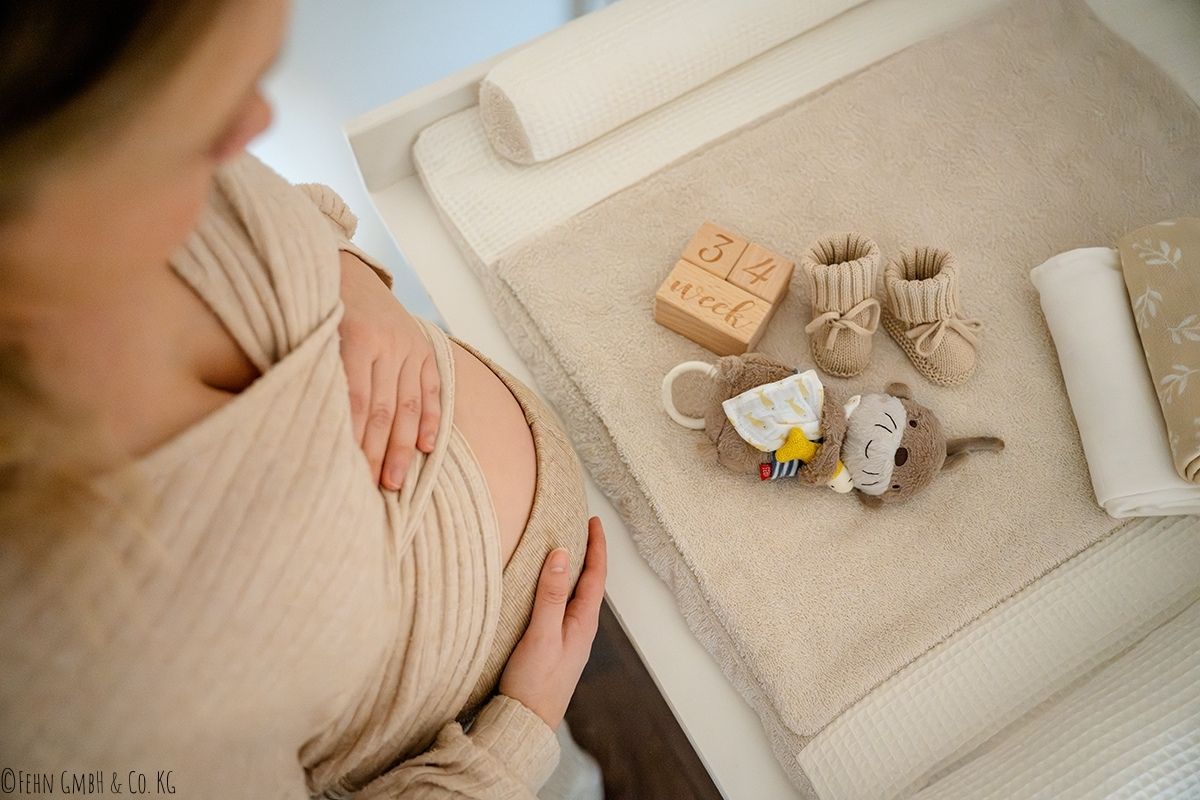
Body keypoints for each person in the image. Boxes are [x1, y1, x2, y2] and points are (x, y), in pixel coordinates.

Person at [0, 1, 606, 797]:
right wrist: (515, 739)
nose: (256, 124)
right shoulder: (66, 697)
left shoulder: (108, 178)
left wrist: (342, 268)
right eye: (198, 128)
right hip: (466, 736)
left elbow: (270, 202)